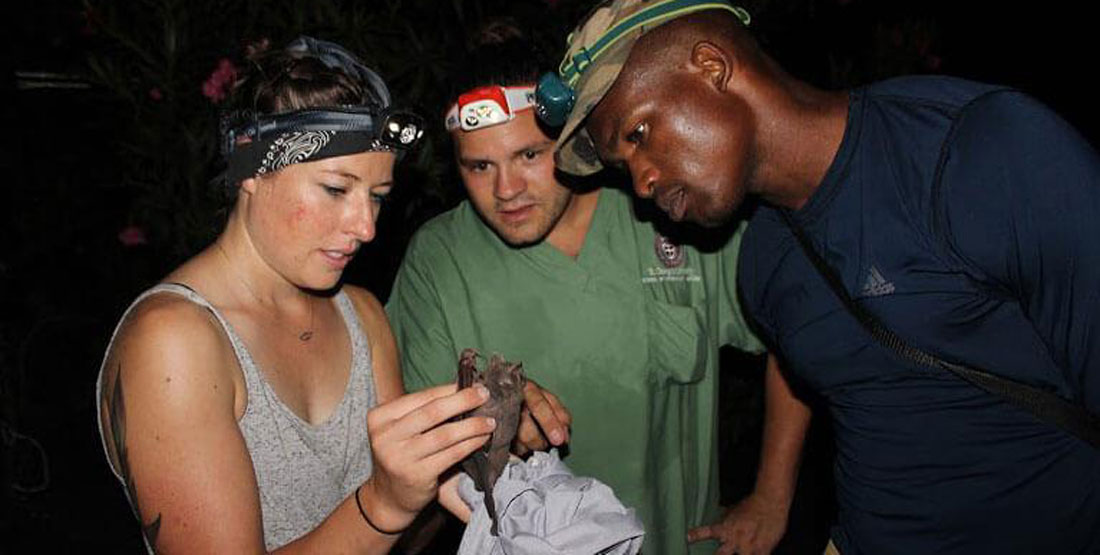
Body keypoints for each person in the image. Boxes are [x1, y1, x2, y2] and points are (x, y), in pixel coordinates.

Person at [540, 0, 1100, 553]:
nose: (639, 183)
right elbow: (826, 371)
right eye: (623, 165)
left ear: (712, 68)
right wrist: (772, 495)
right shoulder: (764, 264)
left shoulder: (977, 155)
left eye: (639, 134)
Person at [384, 24, 805, 555]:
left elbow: (795, 331)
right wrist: (485, 428)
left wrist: (772, 496)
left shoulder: (667, 208)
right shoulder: (438, 261)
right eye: (480, 166)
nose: (506, 189)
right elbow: (414, 464)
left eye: (529, 156)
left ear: (569, 141)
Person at [94, 36, 501, 553]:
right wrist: (384, 504)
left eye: (377, 198)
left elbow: (401, 539)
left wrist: (467, 449)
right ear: (252, 172)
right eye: (336, 189)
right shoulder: (173, 342)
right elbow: (383, 513)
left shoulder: (362, 315)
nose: (366, 227)